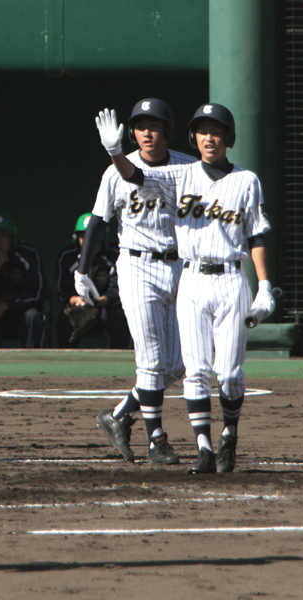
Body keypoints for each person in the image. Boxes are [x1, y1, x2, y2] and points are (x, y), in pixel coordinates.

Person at [95, 103, 275, 474]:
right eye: (202, 131)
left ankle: (227, 436)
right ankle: (203, 448)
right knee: (193, 370)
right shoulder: (181, 175)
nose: (209, 138)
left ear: (229, 138)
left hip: (230, 277)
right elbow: (137, 177)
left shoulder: (246, 180)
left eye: (217, 131)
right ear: (193, 137)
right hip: (190, 275)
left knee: (227, 373)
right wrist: (115, 154)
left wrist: (265, 285)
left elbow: (257, 235)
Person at [76, 99, 196, 464]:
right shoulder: (114, 172)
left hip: (179, 267)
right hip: (136, 265)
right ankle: (156, 440)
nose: (147, 132)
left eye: (155, 125)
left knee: (181, 364)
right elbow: (98, 221)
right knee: (151, 358)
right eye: (140, 125)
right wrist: (82, 269)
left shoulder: (188, 168)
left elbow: (145, 179)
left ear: (168, 132)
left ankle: (118, 416)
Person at [0, 212, 48, 348]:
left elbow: (37, 295)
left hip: (21, 313)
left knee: (33, 315)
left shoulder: (28, 254)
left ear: (12, 238)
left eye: (3, 236)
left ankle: (34, 365)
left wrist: (6, 305)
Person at [55, 213, 130, 349]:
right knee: (64, 318)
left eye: (94, 235)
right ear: (76, 237)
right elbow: (62, 291)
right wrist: (77, 300)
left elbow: (118, 288)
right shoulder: (67, 256)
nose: (88, 240)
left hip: (106, 306)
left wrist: (100, 301)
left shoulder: (114, 254)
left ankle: (117, 360)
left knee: (117, 315)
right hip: (78, 306)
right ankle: (66, 362)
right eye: (83, 235)